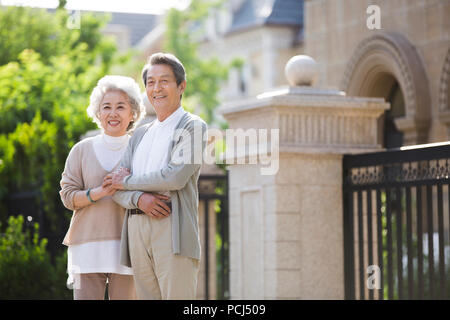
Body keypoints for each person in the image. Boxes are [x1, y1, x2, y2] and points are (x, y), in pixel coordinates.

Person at [104, 52, 207, 300]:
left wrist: (127, 183)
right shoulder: (139, 134)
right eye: (151, 82)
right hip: (137, 228)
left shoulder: (192, 126)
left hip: (172, 228)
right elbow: (113, 187)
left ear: (181, 86)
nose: (156, 88)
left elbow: (174, 177)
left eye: (164, 81)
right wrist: (139, 199)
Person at [59, 75, 145, 300]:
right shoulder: (81, 150)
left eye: (121, 107)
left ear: (133, 113)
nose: (113, 113)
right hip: (86, 247)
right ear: (98, 113)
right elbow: (68, 197)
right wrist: (101, 192)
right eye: (106, 107)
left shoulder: (142, 149)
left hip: (129, 249)